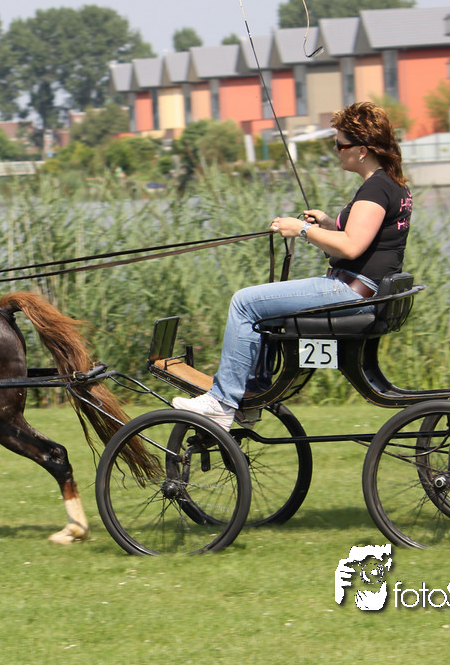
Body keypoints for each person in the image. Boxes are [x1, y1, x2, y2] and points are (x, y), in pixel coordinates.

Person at [174, 101, 413, 430]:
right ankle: (251, 393)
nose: (336, 150)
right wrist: (327, 223)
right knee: (261, 309)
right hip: (364, 289)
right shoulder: (393, 184)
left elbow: (352, 245)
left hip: (350, 290)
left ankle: (222, 401)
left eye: (340, 144)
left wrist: (301, 230)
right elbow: (368, 237)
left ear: (361, 150)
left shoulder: (375, 188)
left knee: (244, 302)